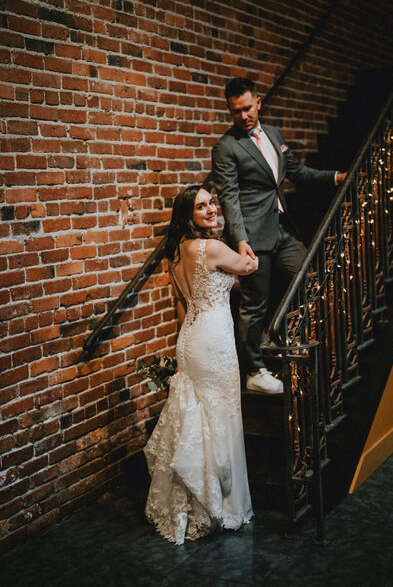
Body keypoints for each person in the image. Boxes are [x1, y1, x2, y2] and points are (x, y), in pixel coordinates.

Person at [212, 77, 347, 395]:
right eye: (235, 112)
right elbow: (228, 198)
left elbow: (297, 172)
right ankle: (255, 371)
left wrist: (335, 177)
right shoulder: (226, 147)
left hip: (284, 230)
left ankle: (292, 339)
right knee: (254, 305)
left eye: (246, 108)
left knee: (310, 279)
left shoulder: (273, 135)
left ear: (258, 102)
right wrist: (240, 239)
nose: (243, 116)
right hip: (254, 237)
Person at [144, 185, 258, 545]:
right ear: (188, 215)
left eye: (212, 202)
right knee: (221, 414)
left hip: (190, 339)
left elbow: (181, 303)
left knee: (200, 414)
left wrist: (181, 349)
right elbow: (248, 266)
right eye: (200, 207)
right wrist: (242, 242)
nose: (210, 209)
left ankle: (199, 497)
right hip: (215, 341)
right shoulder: (211, 247)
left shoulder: (176, 252)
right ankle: (223, 504)